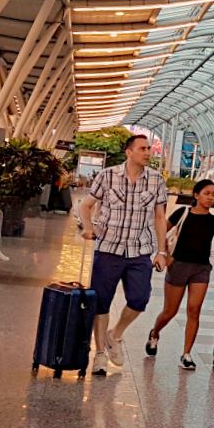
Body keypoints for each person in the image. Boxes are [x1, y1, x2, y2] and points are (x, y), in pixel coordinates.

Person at [79, 134, 168, 377]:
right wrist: (88, 227)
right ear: (129, 152)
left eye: (149, 149)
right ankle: (99, 355)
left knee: (139, 299)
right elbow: (85, 205)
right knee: (101, 302)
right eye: (142, 149)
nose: (148, 153)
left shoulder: (157, 180)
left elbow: (160, 217)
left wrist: (162, 251)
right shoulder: (107, 176)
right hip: (108, 248)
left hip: (140, 250)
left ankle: (115, 334)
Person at [146, 179, 214, 370]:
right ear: (196, 195)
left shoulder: (213, 221)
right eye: (206, 193)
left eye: (213, 194)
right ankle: (155, 333)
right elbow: (161, 231)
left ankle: (186, 354)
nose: (210, 197)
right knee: (170, 311)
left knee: (194, 310)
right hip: (178, 266)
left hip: (201, 269)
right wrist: (164, 254)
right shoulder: (182, 213)